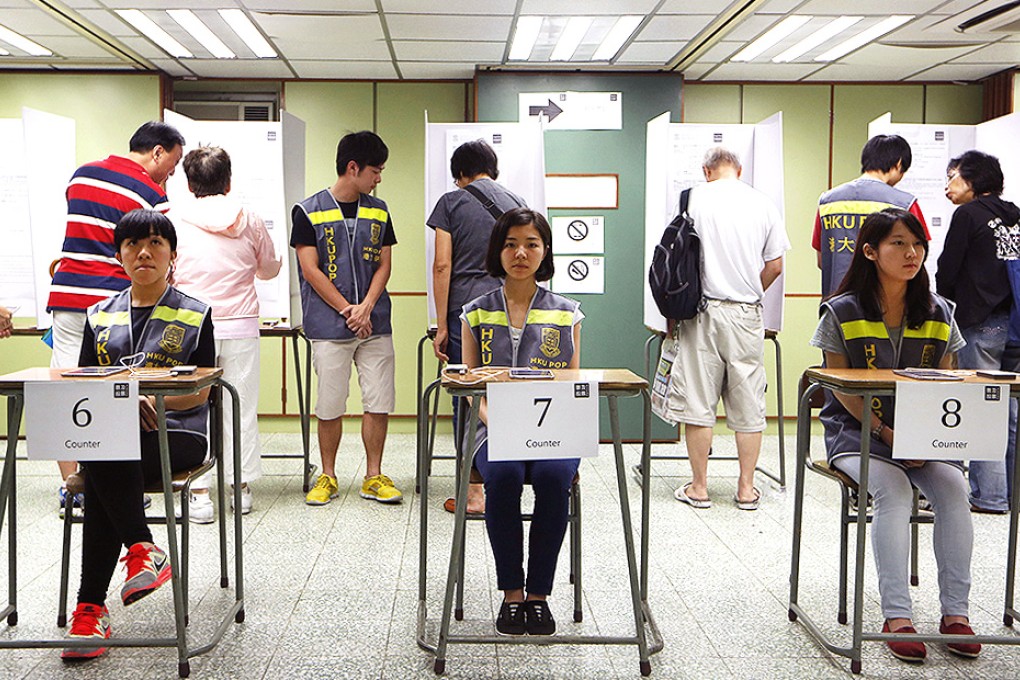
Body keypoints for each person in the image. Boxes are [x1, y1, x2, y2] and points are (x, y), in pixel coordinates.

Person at [811, 208, 978, 663]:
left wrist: (925, 440)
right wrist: (888, 432)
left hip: (925, 439)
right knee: (894, 491)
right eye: (899, 244)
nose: (912, 254)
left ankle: (956, 615)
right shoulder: (841, 311)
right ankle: (898, 616)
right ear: (870, 251)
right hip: (857, 435)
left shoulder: (940, 311)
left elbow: (949, 382)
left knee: (954, 489)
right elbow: (841, 388)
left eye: (918, 244)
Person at [62, 209, 214, 661]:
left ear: (171, 255)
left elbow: (203, 392)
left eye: (154, 244)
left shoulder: (195, 312)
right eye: (132, 244)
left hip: (179, 434)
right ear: (119, 255)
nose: (143, 252)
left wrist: (154, 400)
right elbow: (86, 382)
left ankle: (92, 609)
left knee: (103, 462)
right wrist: (122, 401)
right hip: (114, 439)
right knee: (110, 449)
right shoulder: (98, 315)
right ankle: (139, 551)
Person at [47, 120, 186, 516]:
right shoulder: (149, 192)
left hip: (68, 293)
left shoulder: (81, 175)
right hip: (111, 303)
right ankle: (109, 484)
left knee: (66, 390)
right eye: (171, 165)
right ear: (157, 152)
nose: (170, 176)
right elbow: (159, 251)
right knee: (115, 394)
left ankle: (73, 487)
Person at [460, 207, 583, 636]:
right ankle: (512, 593)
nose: (520, 253)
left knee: (554, 478)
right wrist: (504, 425)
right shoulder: (475, 312)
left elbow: (571, 384)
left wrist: (536, 430)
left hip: (551, 431)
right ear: (498, 250)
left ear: (545, 251)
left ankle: (539, 596)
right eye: (511, 244)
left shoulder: (567, 312)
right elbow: (473, 388)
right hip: (492, 427)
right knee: (506, 475)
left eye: (531, 243)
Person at [673, 147, 790, 511]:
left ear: (706, 171)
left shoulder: (692, 199)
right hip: (746, 314)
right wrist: (749, 289)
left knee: (698, 402)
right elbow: (775, 265)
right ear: (738, 170)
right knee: (748, 403)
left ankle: (700, 487)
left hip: (702, 312)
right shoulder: (763, 203)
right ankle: (745, 488)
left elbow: (675, 255)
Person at [172, 146, 282, 522]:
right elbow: (268, 269)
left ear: (188, 184)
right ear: (229, 180)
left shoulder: (171, 217)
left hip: (187, 327)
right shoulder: (248, 218)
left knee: (191, 408)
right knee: (241, 406)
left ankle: (198, 492)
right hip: (240, 325)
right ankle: (241, 488)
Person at [291, 131, 401, 506]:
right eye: (375, 170)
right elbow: (310, 269)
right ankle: (328, 475)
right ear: (353, 168)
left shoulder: (380, 209)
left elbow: (384, 264)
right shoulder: (307, 211)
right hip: (329, 325)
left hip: (374, 324)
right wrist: (347, 310)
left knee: (379, 399)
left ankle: (373, 475)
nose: (379, 178)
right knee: (330, 403)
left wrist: (366, 307)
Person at [427, 139, 526, 515]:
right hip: (510, 306)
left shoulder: (451, 202)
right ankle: (510, 479)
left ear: (460, 175)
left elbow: (442, 265)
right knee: (506, 389)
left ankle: (473, 494)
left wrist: (440, 324)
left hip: (466, 309)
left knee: (467, 393)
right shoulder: (515, 201)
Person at [936, 150, 1020, 514]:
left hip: (980, 322)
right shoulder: (1015, 216)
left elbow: (948, 269)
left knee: (983, 408)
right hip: (1015, 324)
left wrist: (943, 308)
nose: (947, 186)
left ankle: (989, 496)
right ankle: (1011, 495)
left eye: (953, 177)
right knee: (1011, 411)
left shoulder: (967, 215)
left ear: (972, 180)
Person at [813, 134, 927, 296]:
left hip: (836, 303)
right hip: (885, 304)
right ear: (899, 163)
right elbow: (916, 256)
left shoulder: (827, 201)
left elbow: (822, 260)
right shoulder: (904, 203)